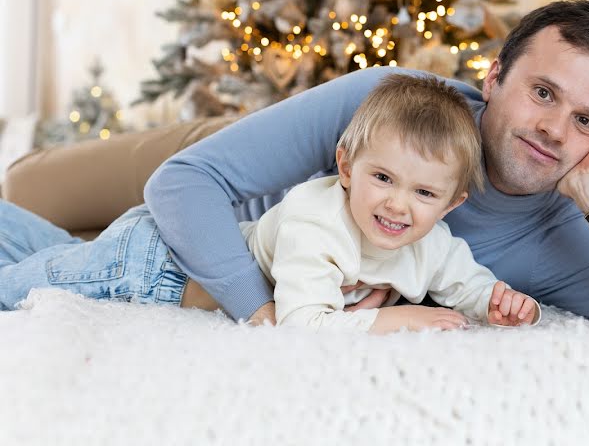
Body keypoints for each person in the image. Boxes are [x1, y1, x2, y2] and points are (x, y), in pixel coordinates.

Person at [144, 0, 589, 331]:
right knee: (51, 190)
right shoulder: (388, 102)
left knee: (53, 239)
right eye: (544, 93)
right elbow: (183, 181)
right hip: (198, 196)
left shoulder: (559, 232)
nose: (554, 130)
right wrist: (265, 311)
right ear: (495, 75)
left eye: (587, 122)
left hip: (195, 222)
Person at [0, 75, 540, 333]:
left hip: (157, 258)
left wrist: (503, 303)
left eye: (424, 193)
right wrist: (401, 323)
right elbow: (301, 326)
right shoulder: (315, 218)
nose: (398, 206)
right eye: (383, 178)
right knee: (16, 287)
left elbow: (468, 284)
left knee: (42, 251)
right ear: (347, 168)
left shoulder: (435, 243)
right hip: (150, 267)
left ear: (451, 204)